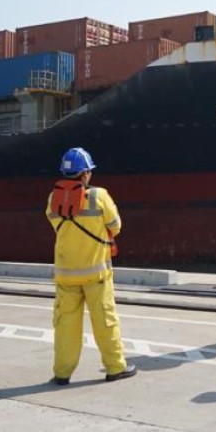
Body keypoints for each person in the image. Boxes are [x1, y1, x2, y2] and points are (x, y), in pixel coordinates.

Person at [45, 147, 137, 385]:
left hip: (66, 275)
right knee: (105, 321)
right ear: (85, 173)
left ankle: (62, 373)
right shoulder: (99, 196)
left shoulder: (53, 198)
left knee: (65, 326)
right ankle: (116, 367)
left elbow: (54, 223)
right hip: (96, 274)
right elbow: (116, 226)